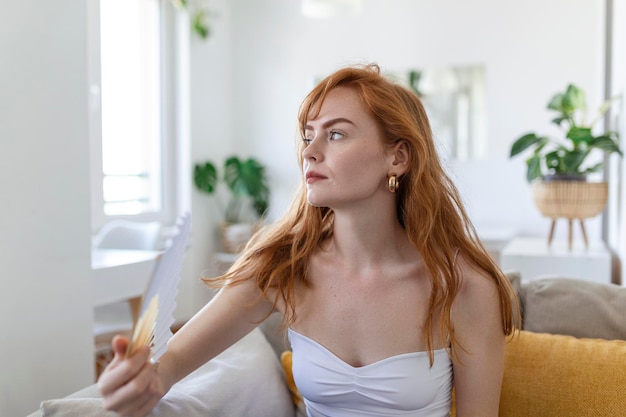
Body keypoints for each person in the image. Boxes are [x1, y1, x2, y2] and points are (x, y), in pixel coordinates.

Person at [98, 63, 519, 417]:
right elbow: (168, 366)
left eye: (335, 134)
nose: (309, 151)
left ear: (398, 157)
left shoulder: (462, 288)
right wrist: (139, 380)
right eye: (307, 135)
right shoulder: (282, 267)